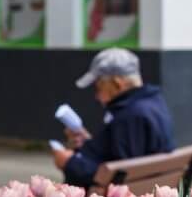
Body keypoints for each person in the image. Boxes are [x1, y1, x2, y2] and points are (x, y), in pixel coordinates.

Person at [51, 48, 176, 188]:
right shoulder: (153, 103)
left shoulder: (130, 115)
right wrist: (89, 143)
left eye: (98, 88)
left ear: (117, 84)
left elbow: (123, 177)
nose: (96, 96)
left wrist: (70, 163)